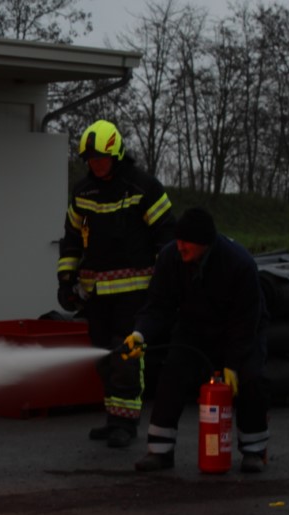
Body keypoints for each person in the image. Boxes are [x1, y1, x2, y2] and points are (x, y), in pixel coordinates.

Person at [124, 207, 270, 473]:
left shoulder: (239, 264)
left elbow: (247, 320)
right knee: (172, 375)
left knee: (251, 379)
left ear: (205, 242)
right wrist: (140, 334)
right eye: (178, 240)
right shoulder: (170, 258)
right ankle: (160, 450)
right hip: (193, 328)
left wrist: (233, 364)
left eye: (186, 242)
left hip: (239, 331)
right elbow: (157, 305)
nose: (180, 247)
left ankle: (254, 450)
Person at [56, 119, 174, 448]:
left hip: (135, 293)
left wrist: (165, 282)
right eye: (91, 159)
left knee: (126, 357)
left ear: (117, 154)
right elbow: (71, 239)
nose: (96, 164)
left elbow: (167, 235)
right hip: (96, 296)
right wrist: (66, 279)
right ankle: (113, 418)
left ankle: (126, 422)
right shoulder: (83, 192)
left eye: (101, 158)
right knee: (103, 358)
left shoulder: (143, 188)